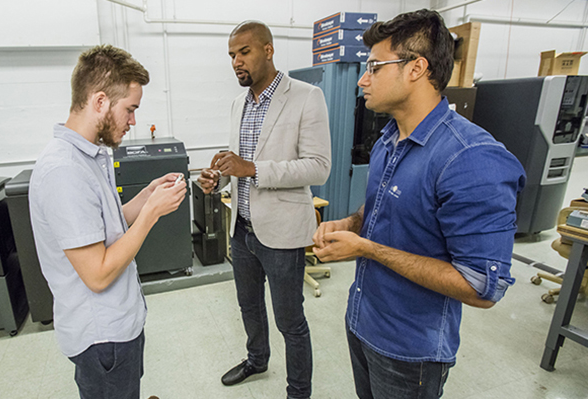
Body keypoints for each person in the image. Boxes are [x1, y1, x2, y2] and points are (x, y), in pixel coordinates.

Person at [312, 9, 526, 399]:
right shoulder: (388, 140)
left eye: (375, 67)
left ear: (416, 68)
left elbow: (482, 287)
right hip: (363, 321)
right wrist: (351, 225)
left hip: (410, 352)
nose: (363, 79)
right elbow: (381, 214)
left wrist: (367, 249)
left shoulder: (470, 158)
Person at [29, 44, 186, 399]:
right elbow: (97, 274)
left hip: (119, 326)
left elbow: (104, 227)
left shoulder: (89, 155)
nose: (133, 122)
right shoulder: (64, 171)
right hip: (102, 337)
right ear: (100, 102)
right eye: (130, 110)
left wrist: (145, 196)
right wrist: (151, 214)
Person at [197, 21, 331, 399]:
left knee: (291, 321)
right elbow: (238, 165)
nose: (236, 62)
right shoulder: (239, 103)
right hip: (242, 229)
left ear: (268, 50)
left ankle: (298, 391)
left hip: (283, 232)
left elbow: (319, 166)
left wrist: (252, 168)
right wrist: (218, 178)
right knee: (249, 307)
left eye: (244, 52)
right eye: (231, 56)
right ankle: (257, 359)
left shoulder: (306, 96)